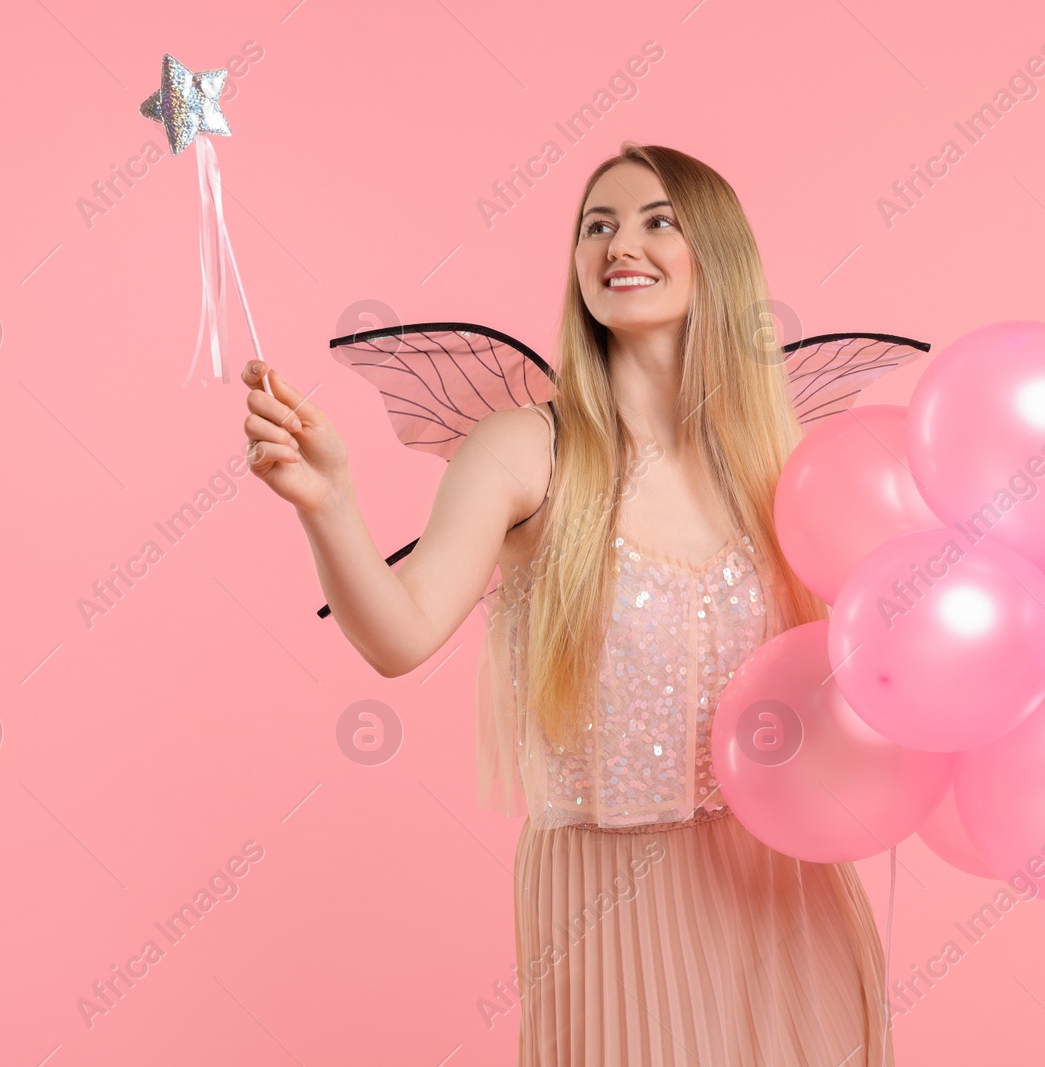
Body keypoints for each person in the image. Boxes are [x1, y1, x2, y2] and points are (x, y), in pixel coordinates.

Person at [239, 142, 895, 1066]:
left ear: (719, 253)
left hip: (785, 889)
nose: (620, 243)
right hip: (603, 899)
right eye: (598, 226)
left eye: (658, 219)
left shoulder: (781, 466)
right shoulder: (525, 450)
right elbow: (400, 634)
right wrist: (330, 504)